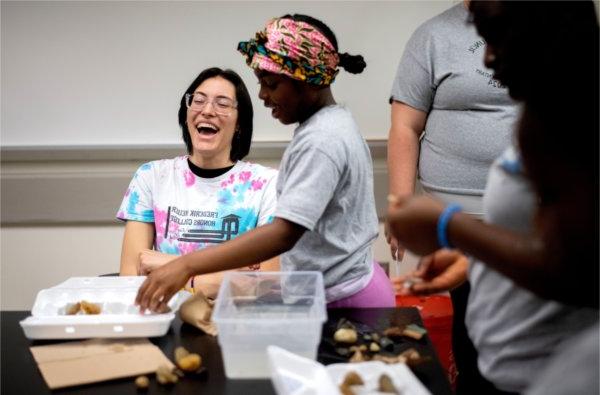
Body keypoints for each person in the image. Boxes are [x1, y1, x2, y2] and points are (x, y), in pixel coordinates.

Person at [388, 1, 599, 393]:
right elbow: (545, 241)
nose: (487, 55)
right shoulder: (544, 116)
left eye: (500, 34)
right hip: (510, 368)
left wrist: (451, 227)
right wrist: (473, 261)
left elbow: (576, 272)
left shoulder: (579, 126)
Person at [135, 14, 396, 312]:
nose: (261, 95)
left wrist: (186, 266)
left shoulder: (322, 140)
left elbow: (284, 233)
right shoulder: (330, 124)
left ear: (308, 79)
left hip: (347, 301)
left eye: (271, 83)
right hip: (344, 288)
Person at [386, 1, 519, 390]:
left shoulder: (545, 27)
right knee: (470, 329)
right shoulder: (433, 35)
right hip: (455, 220)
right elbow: (404, 126)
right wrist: (400, 205)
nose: (491, 57)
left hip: (526, 218)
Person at [117, 67, 279, 298]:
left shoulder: (267, 184)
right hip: (165, 318)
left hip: (235, 322)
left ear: (240, 122)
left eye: (222, 104)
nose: (207, 111)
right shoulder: (152, 177)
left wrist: (173, 268)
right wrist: (233, 275)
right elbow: (132, 281)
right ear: (186, 113)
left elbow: (265, 285)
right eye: (198, 100)